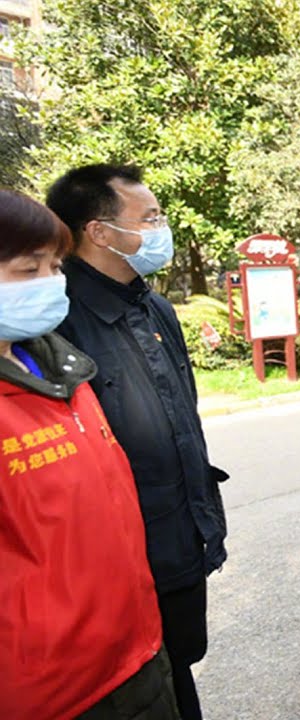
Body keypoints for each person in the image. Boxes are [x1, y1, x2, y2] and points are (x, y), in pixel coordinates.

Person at [45, 165, 227, 720]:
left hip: (179, 535)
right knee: (143, 682)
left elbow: (183, 421)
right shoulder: (60, 321)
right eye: (149, 219)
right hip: (120, 556)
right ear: (99, 232)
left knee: (179, 664)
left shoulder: (155, 307)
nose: (161, 229)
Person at [0, 190, 180, 719]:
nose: (52, 284)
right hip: (49, 691)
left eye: (54, 267)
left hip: (133, 653)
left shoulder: (64, 375)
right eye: (27, 269)